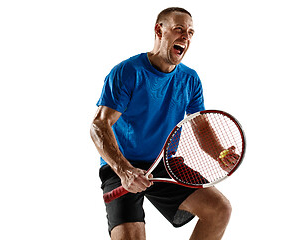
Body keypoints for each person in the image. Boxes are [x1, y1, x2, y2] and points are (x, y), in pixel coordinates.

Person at [90, 7, 232, 240]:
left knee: (219, 209)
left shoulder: (190, 79)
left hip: (163, 162)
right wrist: (125, 171)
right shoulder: (127, 72)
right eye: (179, 29)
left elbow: (201, 127)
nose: (186, 37)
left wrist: (221, 153)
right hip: (122, 163)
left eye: (190, 32)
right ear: (159, 30)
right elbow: (99, 125)